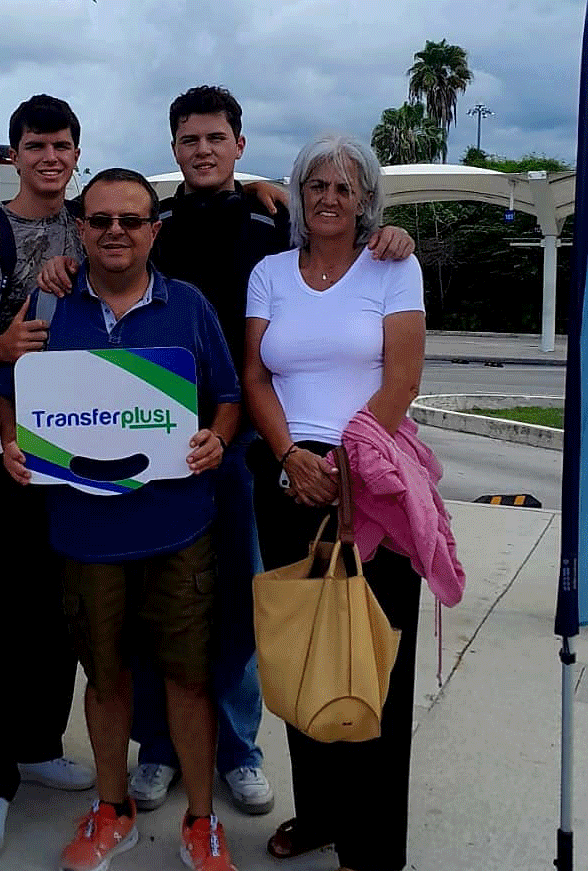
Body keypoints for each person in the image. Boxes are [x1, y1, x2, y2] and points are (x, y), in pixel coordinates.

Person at [39, 87, 414, 818]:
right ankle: (158, 749)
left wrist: (386, 234)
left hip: (242, 441)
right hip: (149, 445)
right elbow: (97, 258)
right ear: (174, 149)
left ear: (240, 146)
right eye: (189, 139)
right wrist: (58, 273)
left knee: (244, 607)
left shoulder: (271, 218)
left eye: (216, 137)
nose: (203, 149)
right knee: (154, 606)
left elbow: (335, 250)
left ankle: (239, 748)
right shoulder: (156, 219)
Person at [0, 169, 244, 871]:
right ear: (80, 227)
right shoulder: (48, 304)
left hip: (179, 526)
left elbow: (227, 398)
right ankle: (113, 810)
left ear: (153, 231)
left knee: (189, 681)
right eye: (100, 219)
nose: (114, 232)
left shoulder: (190, 305)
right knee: (103, 680)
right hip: (84, 532)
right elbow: (11, 393)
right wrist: (12, 444)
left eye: (130, 221)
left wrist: (216, 441)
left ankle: (202, 823)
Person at [243, 135, 425, 871]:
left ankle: (373, 851)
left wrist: (348, 462)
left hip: (371, 475)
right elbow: (254, 374)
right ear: (298, 192)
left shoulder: (393, 266)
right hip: (287, 475)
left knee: (374, 661)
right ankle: (319, 816)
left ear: (366, 199)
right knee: (302, 649)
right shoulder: (269, 273)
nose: (328, 197)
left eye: (345, 187)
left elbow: (404, 376)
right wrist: (290, 455)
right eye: (316, 184)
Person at [0, 94, 94, 859]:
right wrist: (1, 348)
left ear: (76, 152)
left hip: (80, 459)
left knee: (60, 614)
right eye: (36, 146)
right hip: (3, 458)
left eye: (62, 145)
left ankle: (39, 744)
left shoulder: (93, 223)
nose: (50, 157)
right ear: (14, 154)